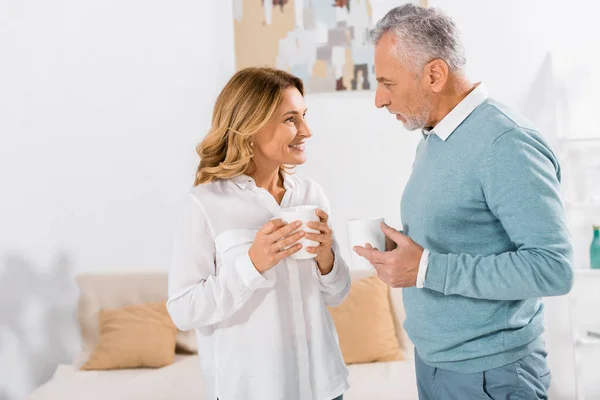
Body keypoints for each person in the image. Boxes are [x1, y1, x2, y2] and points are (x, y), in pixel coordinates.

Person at [354, 4, 573, 399]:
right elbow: (462, 233)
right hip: (436, 365)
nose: (379, 100)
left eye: (388, 82)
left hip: (492, 375)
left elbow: (553, 268)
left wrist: (425, 268)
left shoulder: (505, 143)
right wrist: (404, 255)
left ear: (435, 74)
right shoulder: (435, 136)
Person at [167, 67, 350, 400]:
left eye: (304, 116)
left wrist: (327, 258)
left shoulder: (311, 195)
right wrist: (252, 264)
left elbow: (337, 295)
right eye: (290, 119)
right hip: (253, 391)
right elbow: (183, 311)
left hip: (323, 386)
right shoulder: (205, 204)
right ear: (249, 128)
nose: (306, 131)